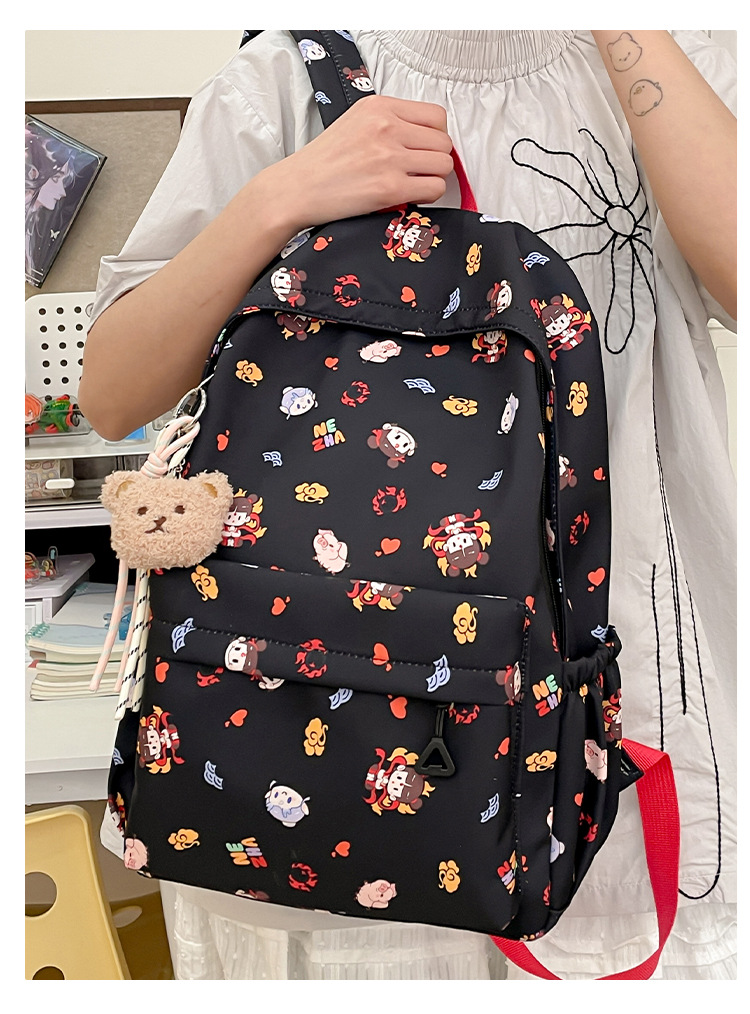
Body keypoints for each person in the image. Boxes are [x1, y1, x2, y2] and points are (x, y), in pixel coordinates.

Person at [79, 30, 736, 980]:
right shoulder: (285, 76)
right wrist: (280, 198)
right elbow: (112, 393)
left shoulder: (680, 58)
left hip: (621, 707)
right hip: (300, 729)